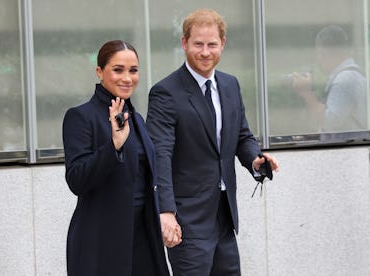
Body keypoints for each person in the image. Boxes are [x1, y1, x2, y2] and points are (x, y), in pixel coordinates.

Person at [146, 9, 280, 276]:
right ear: (184, 43)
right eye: (198, 44)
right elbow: (159, 155)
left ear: (223, 44)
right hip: (187, 220)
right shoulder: (165, 93)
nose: (205, 52)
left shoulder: (230, 85)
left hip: (224, 217)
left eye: (212, 44)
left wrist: (255, 159)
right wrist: (166, 212)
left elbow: (242, 136)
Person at [62, 40, 170, 276]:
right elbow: (76, 180)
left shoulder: (137, 119)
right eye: (118, 70)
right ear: (100, 72)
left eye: (133, 70)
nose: (127, 78)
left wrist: (165, 215)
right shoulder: (80, 117)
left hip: (143, 237)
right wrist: (114, 146)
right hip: (101, 241)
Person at [291, 25, 367, 132]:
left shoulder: (345, 79)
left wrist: (307, 93)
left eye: (318, 54)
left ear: (322, 53)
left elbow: (329, 122)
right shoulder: (350, 76)